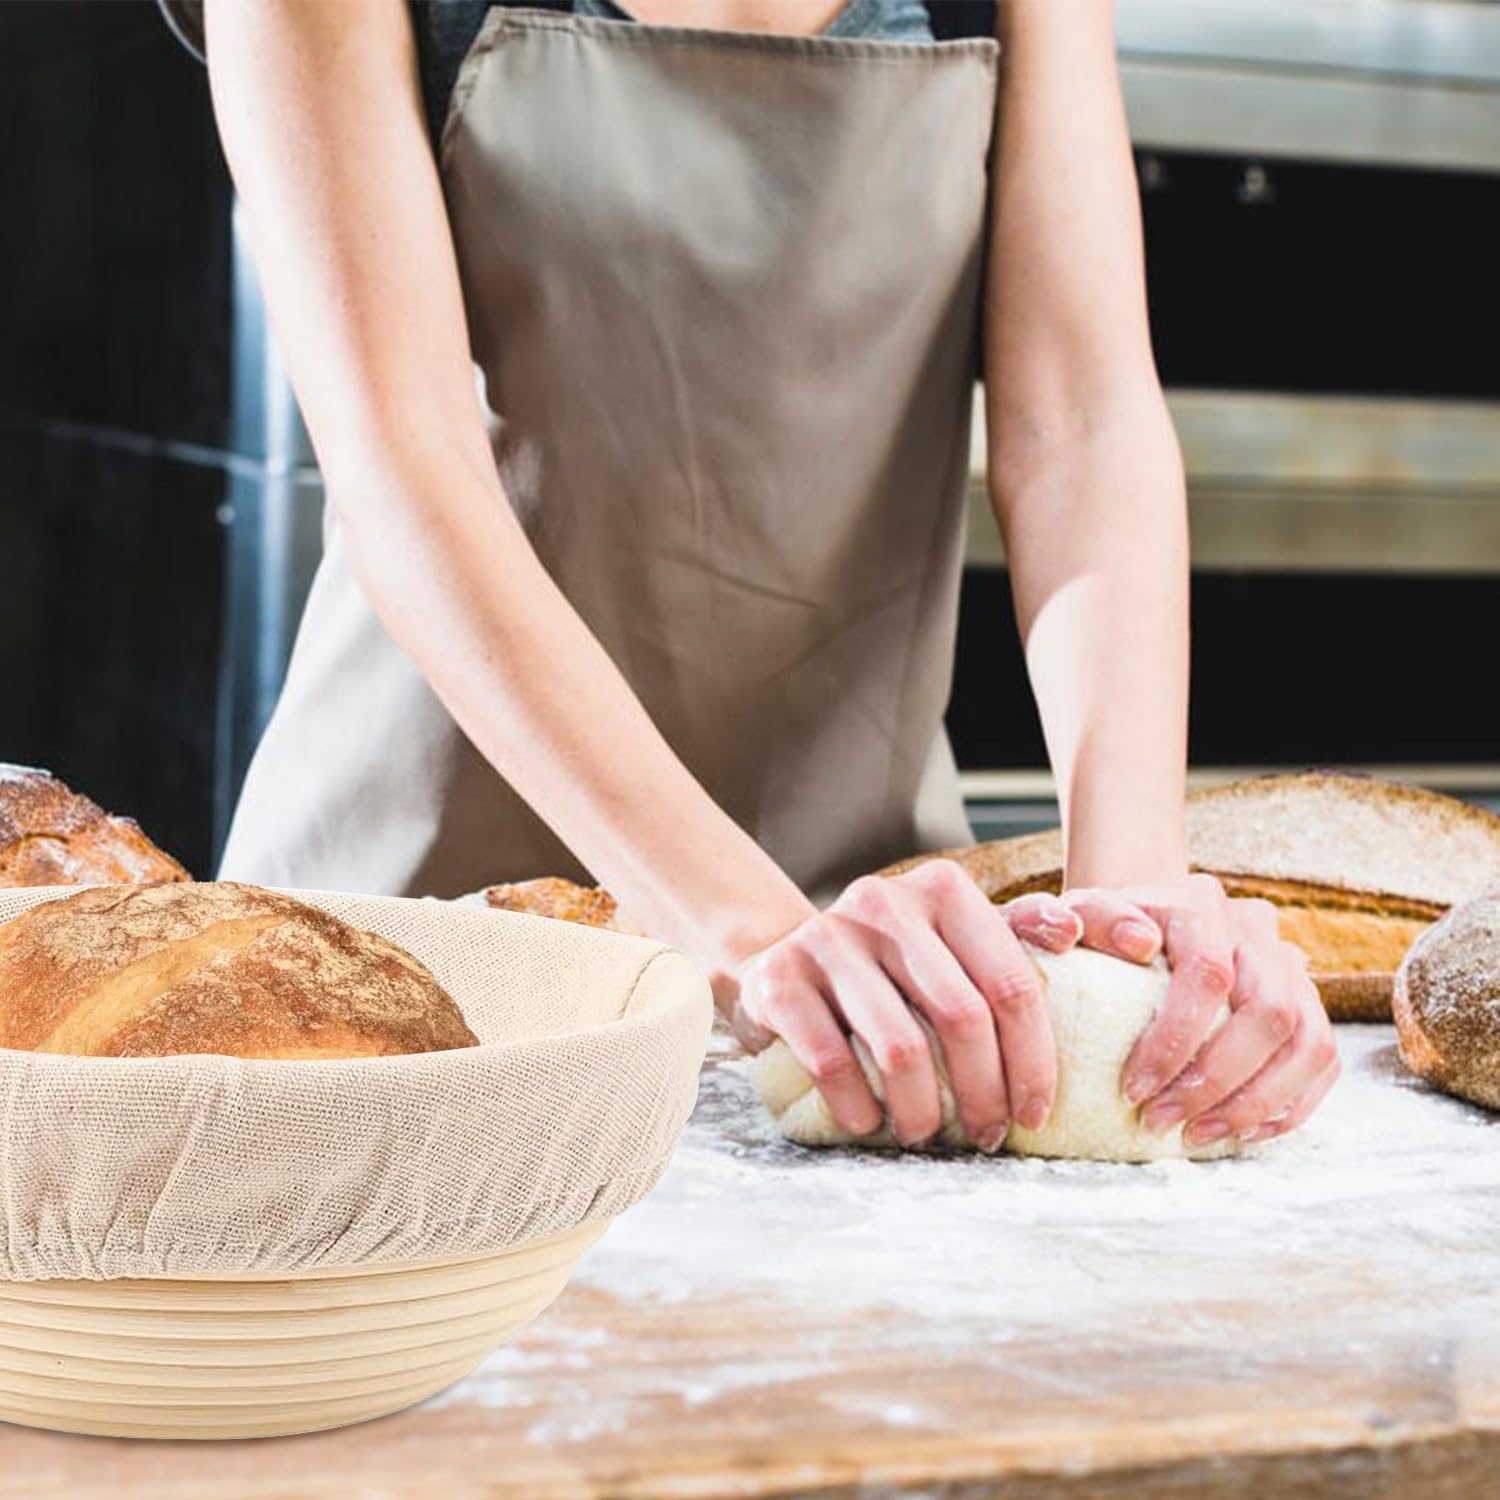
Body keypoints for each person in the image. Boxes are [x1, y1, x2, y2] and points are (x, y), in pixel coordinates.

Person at [165, 0, 1338, 1152]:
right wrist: (755, 933)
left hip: (874, 960)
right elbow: (405, 469)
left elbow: (1081, 421)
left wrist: (1130, 925)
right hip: (411, 955)